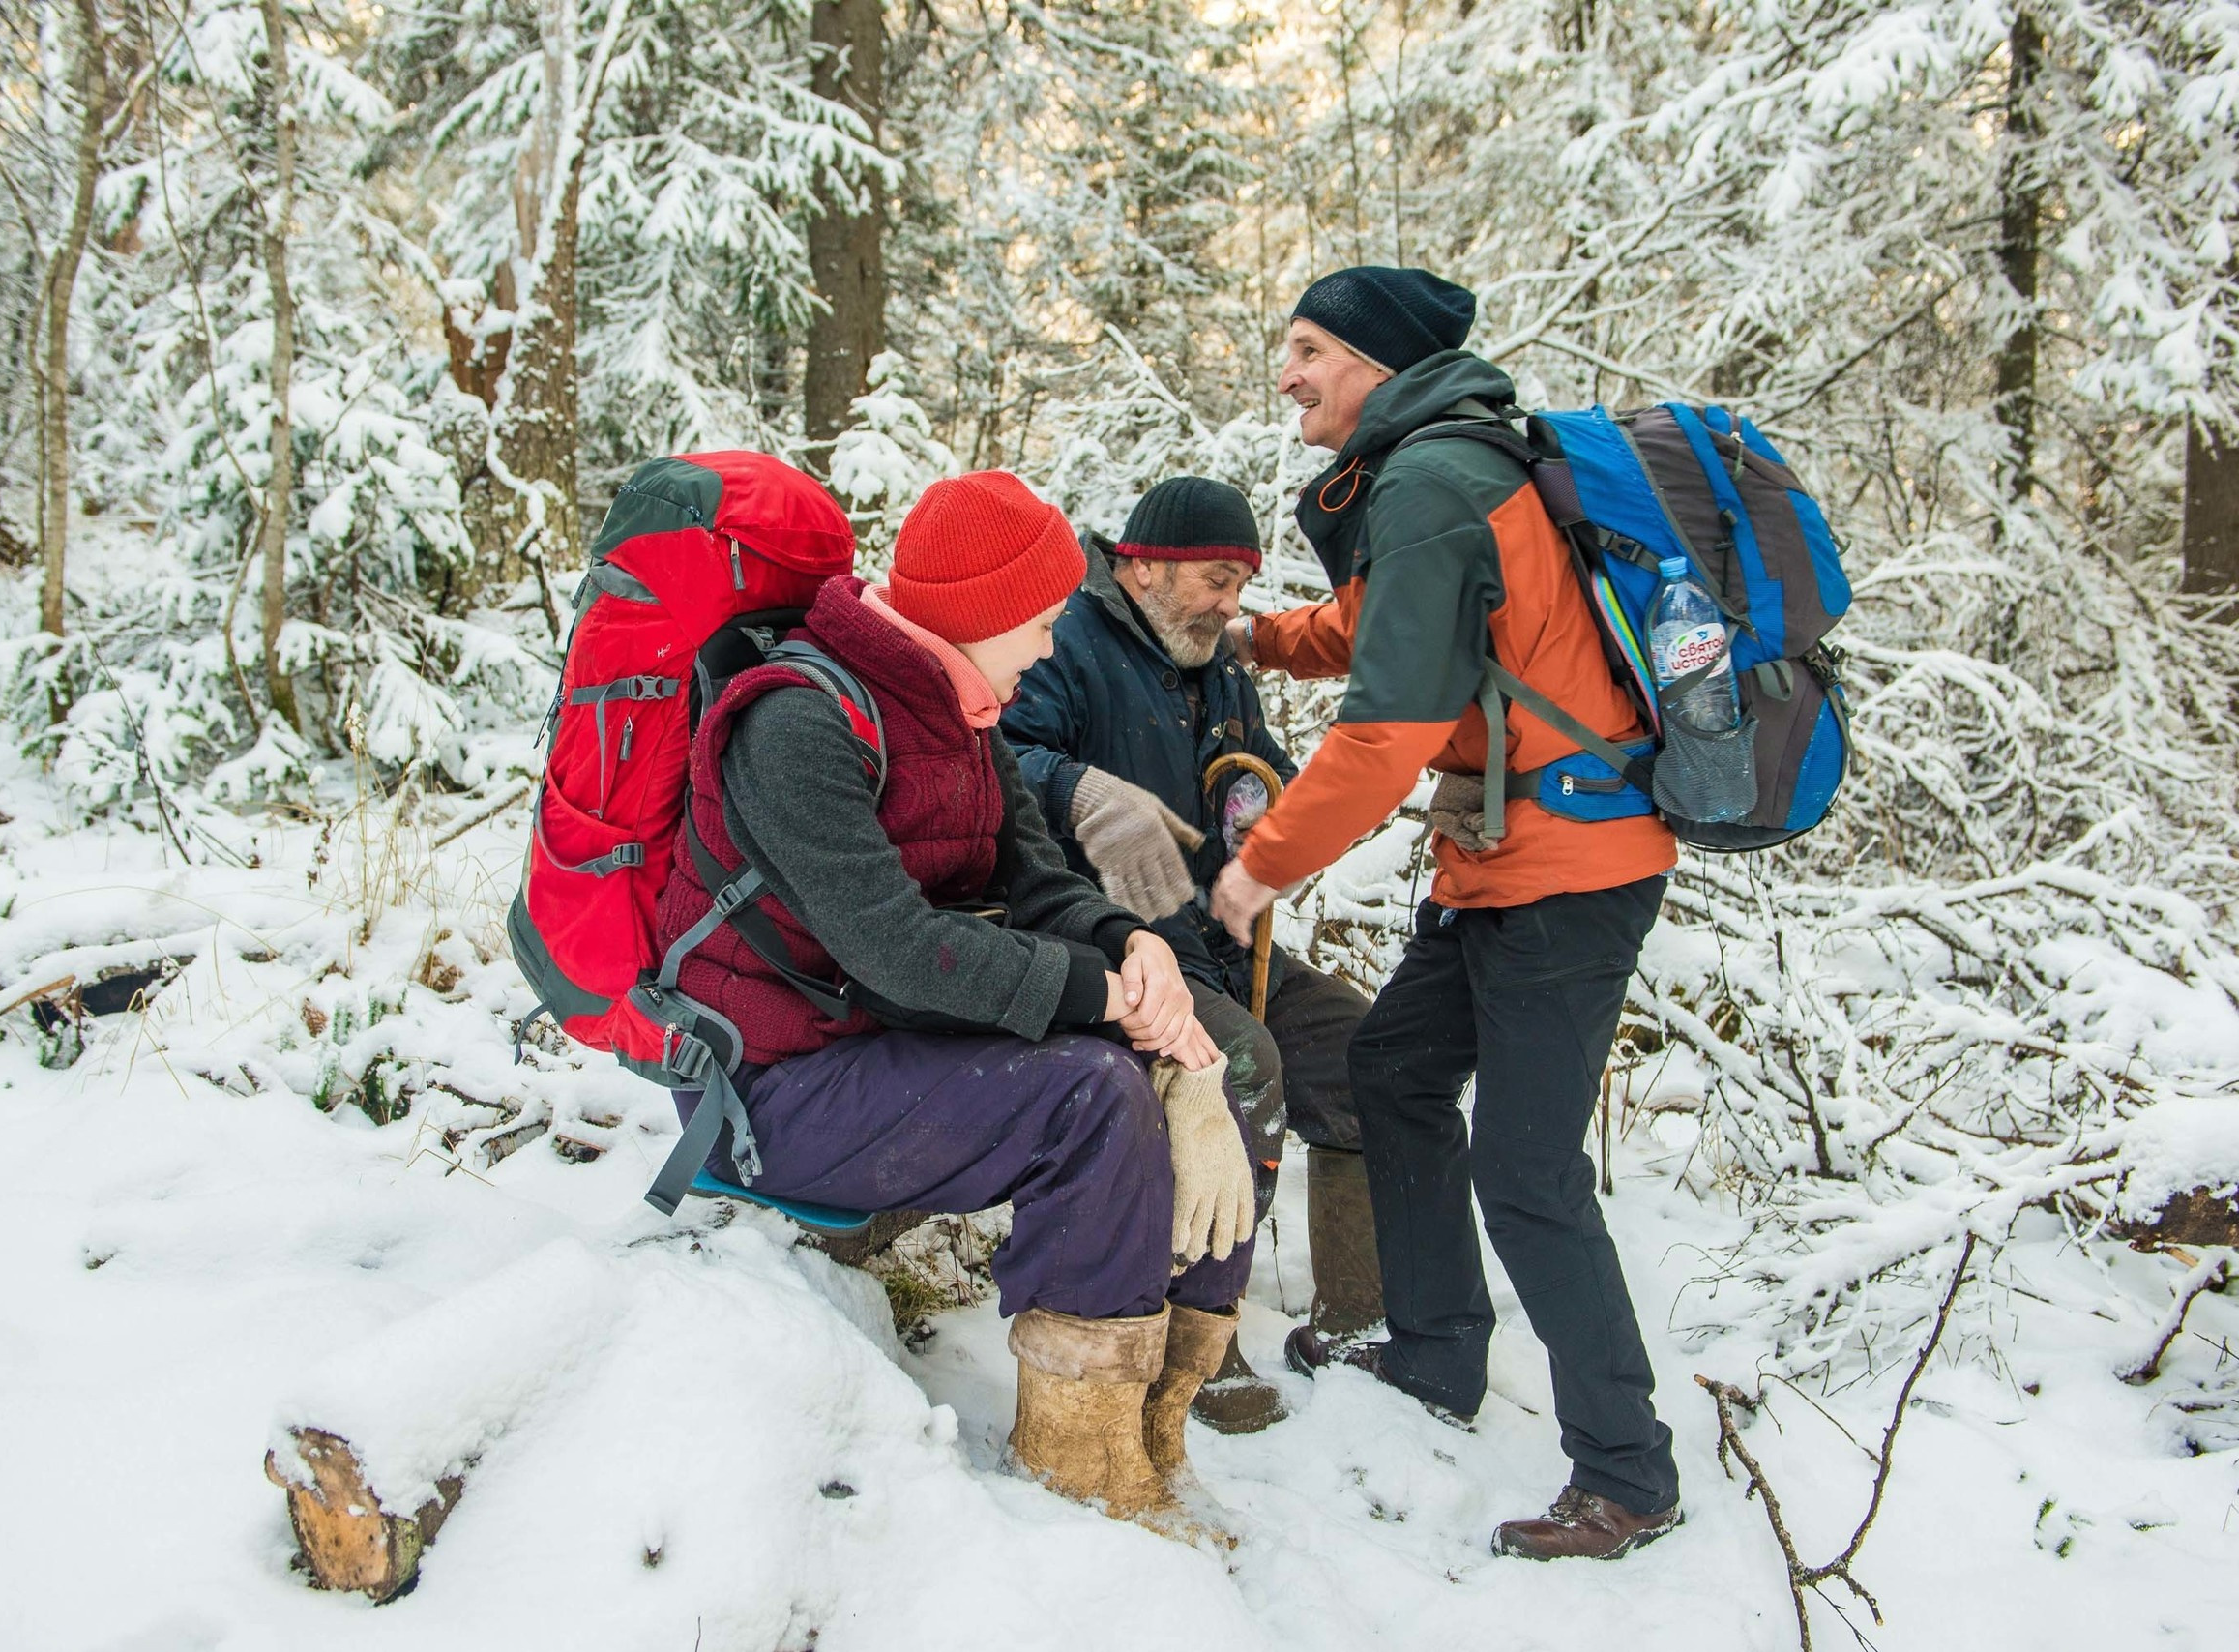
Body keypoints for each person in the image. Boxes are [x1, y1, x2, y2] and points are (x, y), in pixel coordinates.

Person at [653, 468, 1266, 1533]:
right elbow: (896, 950)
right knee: (1092, 1094)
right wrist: (1104, 999)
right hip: (771, 1089)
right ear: (978, 614)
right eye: (1039, 621)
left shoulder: (960, 707)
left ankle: (1152, 1432)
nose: (1051, 646)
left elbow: (1036, 880)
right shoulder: (798, 724)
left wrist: (1128, 945)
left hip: (878, 1042)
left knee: (1202, 1062)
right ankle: (1082, 1463)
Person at [1207, 266, 1685, 1561]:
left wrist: (1259, 869)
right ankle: (1433, 1353)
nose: (1289, 374)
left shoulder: (1430, 479)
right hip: (1509, 859)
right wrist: (1257, 638)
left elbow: (1391, 725)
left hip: (1567, 871)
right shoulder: (1451, 462)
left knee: (1529, 1173)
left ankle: (1628, 1475)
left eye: (1310, 348)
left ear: (1376, 363)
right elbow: (1384, 628)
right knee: (1396, 1068)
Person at [1002, 477, 1382, 1434]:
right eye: (1216, 579)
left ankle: (1357, 1322)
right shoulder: (1064, 641)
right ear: (1143, 566)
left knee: (1366, 1053)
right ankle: (1198, 1345)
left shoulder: (1215, 666)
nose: (1230, 604)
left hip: (1215, 940)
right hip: (1103, 943)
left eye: (1238, 584)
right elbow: (1000, 760)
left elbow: (1260, 772)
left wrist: (1271, 808)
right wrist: (1078, 785)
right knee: (1239, 1062)